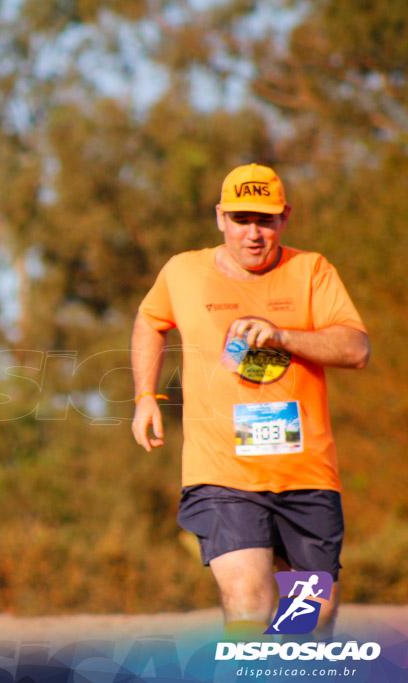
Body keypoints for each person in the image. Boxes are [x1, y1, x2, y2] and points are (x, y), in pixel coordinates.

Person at [130, 163, 369, 642]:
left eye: (265, 220)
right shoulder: (184, 272)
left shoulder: (311, 271)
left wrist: (282, 336)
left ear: (285, 219)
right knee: (249, 596)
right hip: (222, 473)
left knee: (310, 621)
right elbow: (150, 320)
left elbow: (356, 349)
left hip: (306, 474)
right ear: (221, 218)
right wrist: (145, 397)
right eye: (241, 219)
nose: (253, 233)